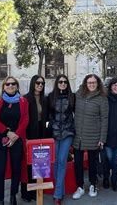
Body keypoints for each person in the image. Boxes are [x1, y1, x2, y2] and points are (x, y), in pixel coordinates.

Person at [0, 76, 29, 205]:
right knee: (0, 168)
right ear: (3, 86)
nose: (11, 86)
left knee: (16, 168)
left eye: (13, 84)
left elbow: (25, 119)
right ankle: (0, 198)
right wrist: (7, 132)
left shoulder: (23, 101)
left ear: (17, 86)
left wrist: (16, 135)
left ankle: (13, 196)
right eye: (8, 84)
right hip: (1, 137)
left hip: (17, 138)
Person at [72, 74, 109, 200]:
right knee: (78, 163)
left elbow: (105, 119)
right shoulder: (78, 95)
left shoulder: (102, 98)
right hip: (79, 136)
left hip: (94, 135)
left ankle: (93, 185)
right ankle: (80, 186)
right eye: (89, 82)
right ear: (85, 84)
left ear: (97, 83)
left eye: (94, 82)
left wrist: (102, 138)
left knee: (93, 163)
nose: (92, 84)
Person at [48, 74, 76, 205]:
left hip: (67, 132)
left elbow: (76, 113)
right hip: (54, 133)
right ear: (57, 83)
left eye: (65, 82)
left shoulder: (72, 97)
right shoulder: (50, 97)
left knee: (62, 161)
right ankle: (61, 190)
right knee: (55, 162)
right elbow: (48, 115)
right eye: (60, 82)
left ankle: (57, 195)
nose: (63, 84)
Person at [21, 75, 49, 202]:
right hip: (29, 134)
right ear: (33, 83)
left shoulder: (44, 99)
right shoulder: (25, 99)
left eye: (42, 83)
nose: (40, 85)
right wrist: (24, 137)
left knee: (39, 164)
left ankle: (37, 192)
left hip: (41, 133)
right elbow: (22, 119)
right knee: (28, 164)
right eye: (38, 83)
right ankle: (27, 193)